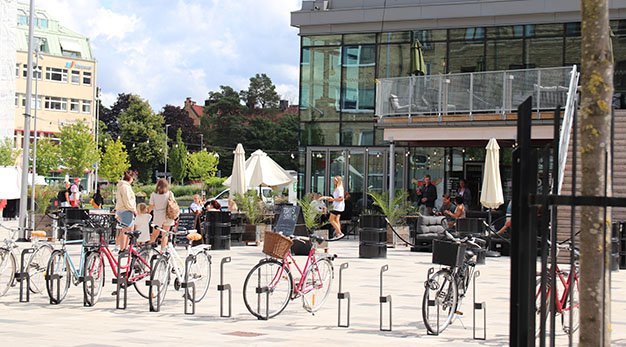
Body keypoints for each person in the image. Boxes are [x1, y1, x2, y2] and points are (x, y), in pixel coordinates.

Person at [148, 179, 177, 252]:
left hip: (158, 215)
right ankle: (162, 251)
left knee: (154, 235)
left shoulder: (154, 194)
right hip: (167, 215)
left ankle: (147, 250)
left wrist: (148, 212)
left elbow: (151, 205)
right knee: (165, 235)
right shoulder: (169, 193)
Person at [115, 170, 137, 251]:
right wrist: (133, 209)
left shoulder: (121, 186)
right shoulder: (125, 187)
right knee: (126, 229)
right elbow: (127, 200)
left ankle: (125, 247)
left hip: (121, 209)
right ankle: (123, 248)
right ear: (130, 178)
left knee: (129, 229)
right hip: (126, 210)